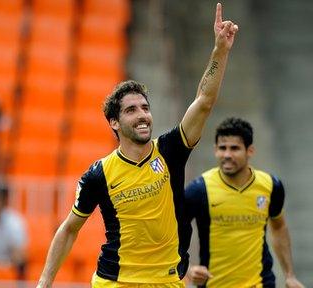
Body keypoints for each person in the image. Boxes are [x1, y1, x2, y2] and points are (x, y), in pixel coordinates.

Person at [37, 3, 238, 287]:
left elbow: (203, 102)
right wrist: (44, 282)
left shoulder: (170, 150)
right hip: (116, 281)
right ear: (114, 123)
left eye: (145, 107)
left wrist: (220, 51)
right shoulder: (100, 174)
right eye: (131, 110)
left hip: (166, 280)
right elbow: (70, 229)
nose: (143, 115)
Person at [184, 117, 304, 288]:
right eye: (222, 148)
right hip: (215, 284)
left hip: (261, 283)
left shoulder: (271, 186)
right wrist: (187, 268)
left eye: (234, 148)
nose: (227, 155)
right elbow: (172, 233)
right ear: (215, 150)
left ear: (250, 151)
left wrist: (290, 275)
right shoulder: (198, 190)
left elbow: (278, 227)